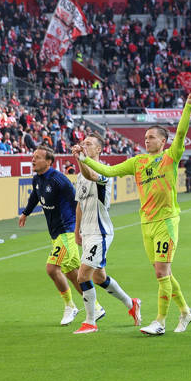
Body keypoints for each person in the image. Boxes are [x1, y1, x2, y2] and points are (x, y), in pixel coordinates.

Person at [79, 94, 191, 336]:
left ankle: (160, 322)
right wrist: (85, 160)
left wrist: (187, 106)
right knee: (164, 272)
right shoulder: (137, 162)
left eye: (152, 137)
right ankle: (186, 311)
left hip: (166, 221)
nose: (147, 140)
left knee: (160, 273)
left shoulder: (170, 156)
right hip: (146, 224)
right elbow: (109, 170)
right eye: (145, 138)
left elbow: (182, 131)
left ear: (164, 141)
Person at [69, 134, 142, 334]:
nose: (85, 145)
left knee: (83, 276)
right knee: (100, 277)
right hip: (87, 232)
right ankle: (132, 304)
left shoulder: (105, 172)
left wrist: (80, 159)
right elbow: (80, 205)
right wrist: (77, 230)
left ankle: (90, 322)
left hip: (100, 232)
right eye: (83, 143)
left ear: (99, 150)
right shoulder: (79, 176)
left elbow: (92, 176)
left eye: (89, 144)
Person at [17, 145, 83, 326]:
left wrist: (79, 227)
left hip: (66, 230)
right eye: (33, 156)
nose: (33, 160)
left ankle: (71, 306)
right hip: (56, 232)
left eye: (37, 157)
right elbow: (35, 197)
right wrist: (26, 213)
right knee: (72, 272)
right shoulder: (37, 179)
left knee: (52, 269)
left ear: (48, 161)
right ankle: (95, 305)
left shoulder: (59, 180)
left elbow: (76, 201)